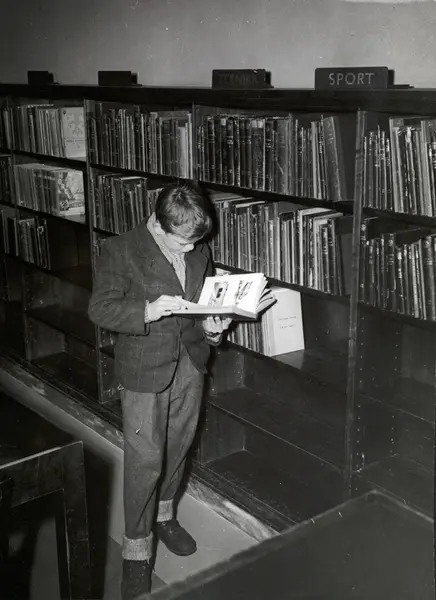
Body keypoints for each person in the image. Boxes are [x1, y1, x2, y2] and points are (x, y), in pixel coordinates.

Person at [88, 182, 231, 599]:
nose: (191, 249)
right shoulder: (120, 250)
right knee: (144, 461)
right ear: (157, 224)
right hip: (144, 370)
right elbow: (100, 309)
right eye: (182, 241)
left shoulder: (198, 250)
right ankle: (136, 553)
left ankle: (165, 515)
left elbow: (202, 308)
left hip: (190, 363)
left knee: (179, 446)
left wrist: (214, 328)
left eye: (195, 242)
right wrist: (148, 311)